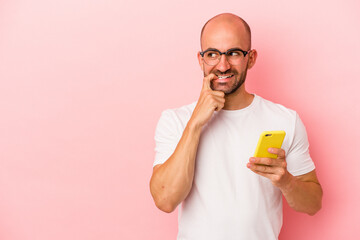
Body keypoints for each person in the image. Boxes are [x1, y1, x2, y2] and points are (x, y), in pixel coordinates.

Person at [149, 13, 323, 240]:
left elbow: (313, 204)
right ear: (201, 60)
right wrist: (195, 124)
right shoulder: (176, 120)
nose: (223, 65)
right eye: (212, 54)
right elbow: (165, 200)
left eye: (233, 53)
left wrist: (287, 181)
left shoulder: (285, 120)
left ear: (250, 58)